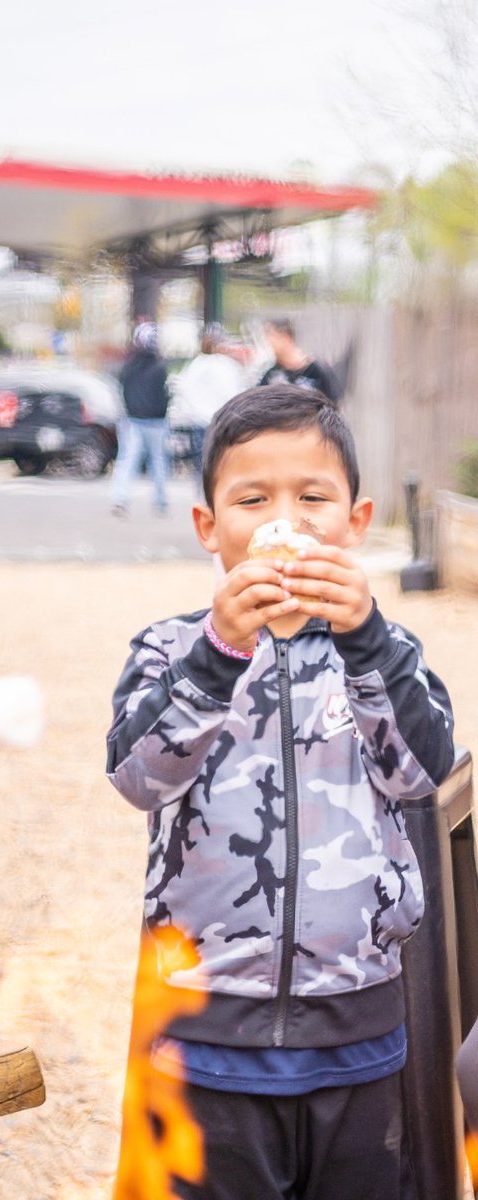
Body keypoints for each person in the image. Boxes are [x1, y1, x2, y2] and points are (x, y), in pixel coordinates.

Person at [106, 385, 454, 1199]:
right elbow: (137, 778)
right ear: (209, 528)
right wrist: (217, 653)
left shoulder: (386, 651)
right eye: (252, 499)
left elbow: (423, 774)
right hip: (204, 1032)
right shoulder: (170, 649)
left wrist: (368, 642)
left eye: (313, 498)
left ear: (357, 522)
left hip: (359, 1028)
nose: (285, 519)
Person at [170, 324, 245, 483]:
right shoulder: (227, 366)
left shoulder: (194, 366)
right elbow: (236, 393)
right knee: (221, 463)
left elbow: (184, 391)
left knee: (202, 464)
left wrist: (193, 413)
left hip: (199, 421)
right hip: (222, 421)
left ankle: (204, 496)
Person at [111, 321, 171, 517]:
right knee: (159, 462)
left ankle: (120, 499)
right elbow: (165, 394)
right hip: (156, 421)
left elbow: (122, 391)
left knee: (127, 461)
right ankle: (160, 501)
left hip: (134, 420)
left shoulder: (129, 366)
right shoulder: (160, 367)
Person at [258, 318, 342, 403]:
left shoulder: (317, 370)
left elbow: (333, 403)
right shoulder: (271, 376)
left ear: (285, 336)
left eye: (272, 336)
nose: (269, 342)